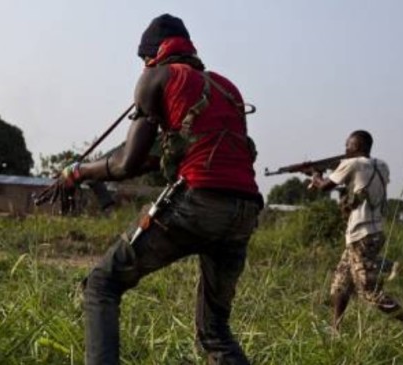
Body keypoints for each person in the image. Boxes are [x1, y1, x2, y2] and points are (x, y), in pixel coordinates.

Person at [46, 14, 263, 365]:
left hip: (197, 202)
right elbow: (171, 154)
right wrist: (90, 171)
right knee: (215, 331)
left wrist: (76, 171)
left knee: (102, 284)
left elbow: (125, 164)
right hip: (244, 210)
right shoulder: (226, 88)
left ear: (154, 54)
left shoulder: (156, 76)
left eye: (144, 59)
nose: (144, 65)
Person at [307, 130, 403, 354]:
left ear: (356, 146)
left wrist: (315, 175)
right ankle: (335, 330)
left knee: (368, 291)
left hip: (362, 234)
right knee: (340, 282)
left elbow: (325, 187)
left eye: (348, 145)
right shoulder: (381, 165)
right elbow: (357, 188)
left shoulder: (353, 163)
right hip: (371, 232)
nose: (345, 150)